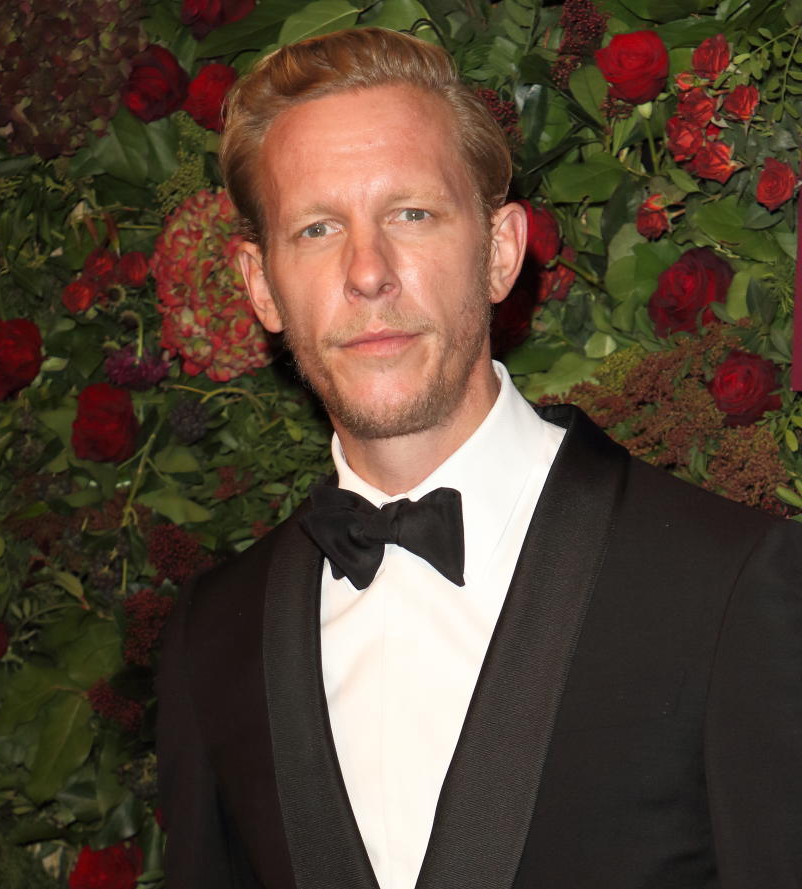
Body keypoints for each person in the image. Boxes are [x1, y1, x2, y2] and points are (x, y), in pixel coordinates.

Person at [155, 27, 802, 889]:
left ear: (500, 251)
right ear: (262, 285)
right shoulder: (214, 635)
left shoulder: (728, 586)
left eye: (411, 214)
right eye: (316, 228)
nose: (368, 272)